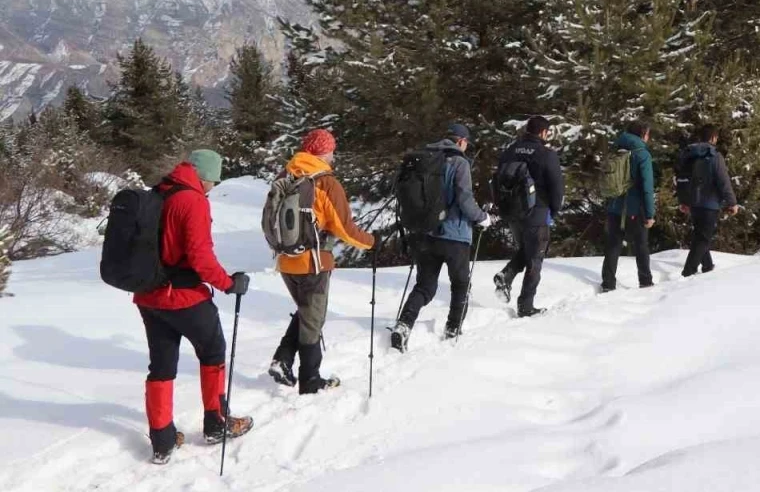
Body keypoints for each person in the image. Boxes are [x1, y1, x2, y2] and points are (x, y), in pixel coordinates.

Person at [133, 149, 253, 465]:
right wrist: (228, 283)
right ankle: (216, 423)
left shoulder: (159, 191)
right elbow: (200, 258)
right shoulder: (193, 200)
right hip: (183, 296)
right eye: (213, 179)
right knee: (213, 351)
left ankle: (162, 439)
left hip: (149, 296)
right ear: (205, 176)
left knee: (161, 365)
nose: (213, 186)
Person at [267, 129, 374, 394]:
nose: (333, 156)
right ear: (323, 152)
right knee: (313, 320)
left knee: (306, 312)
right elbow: (345, 229)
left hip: (285, 260)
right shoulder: (325, 182)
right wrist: (372, 242)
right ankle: (310, 382)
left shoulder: (285, 175)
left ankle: (283, 359)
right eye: (331, 150)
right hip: (313, 262)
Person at [391, 124, 493, 349]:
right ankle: (452, 329)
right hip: (455, 236)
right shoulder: (460, 163)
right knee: (460, 285)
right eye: (466, 143)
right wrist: (482, 217)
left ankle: (403, 325)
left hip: (425, 233)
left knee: (425, 287)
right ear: (460, 141)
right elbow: (465, 200)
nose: (466, 147)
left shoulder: (424, 160)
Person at [494, 116, 564, 317]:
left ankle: (506, 276)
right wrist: (555, 209)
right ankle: (526, 305)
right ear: (544, 132)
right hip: (538, 212)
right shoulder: (546, 154)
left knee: (526, 249)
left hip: (513, 212)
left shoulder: (510, 151)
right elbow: (557, 187)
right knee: (535, 259)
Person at [600, 120, 656, 292]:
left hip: (614, 206)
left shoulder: (616, 149)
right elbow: (647, 187)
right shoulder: (642, 154)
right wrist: (649, 214)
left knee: (613, 245)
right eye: (647, 134)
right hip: (634, 209)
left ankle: (608, 283)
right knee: (641, 245)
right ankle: (645, 281)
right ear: (643, 134)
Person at [678, 125, 739, 277]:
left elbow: (681, 178)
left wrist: (684, 200)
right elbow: (723, 181)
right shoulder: (714, 156)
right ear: (713, 138)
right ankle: (688, 271)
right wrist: (732, 202)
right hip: (709, 203)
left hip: (693, 202)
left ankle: (707, 265)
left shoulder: (689, 154)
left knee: (700, 235)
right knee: (703, 239)